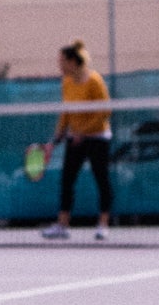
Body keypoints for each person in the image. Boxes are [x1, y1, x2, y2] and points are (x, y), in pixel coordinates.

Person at [40, 39, 113, 241]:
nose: (59, 65)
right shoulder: (66, 82)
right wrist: (56, 138)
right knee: (67, 180)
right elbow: (66, 112)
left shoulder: (95, 81)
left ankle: (103, 225)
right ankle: (62, 225)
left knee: (101, 179)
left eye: (62, 61)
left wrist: (84, 132)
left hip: (98, 137)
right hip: (76, 137)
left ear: (73, 61)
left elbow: (104, 112)